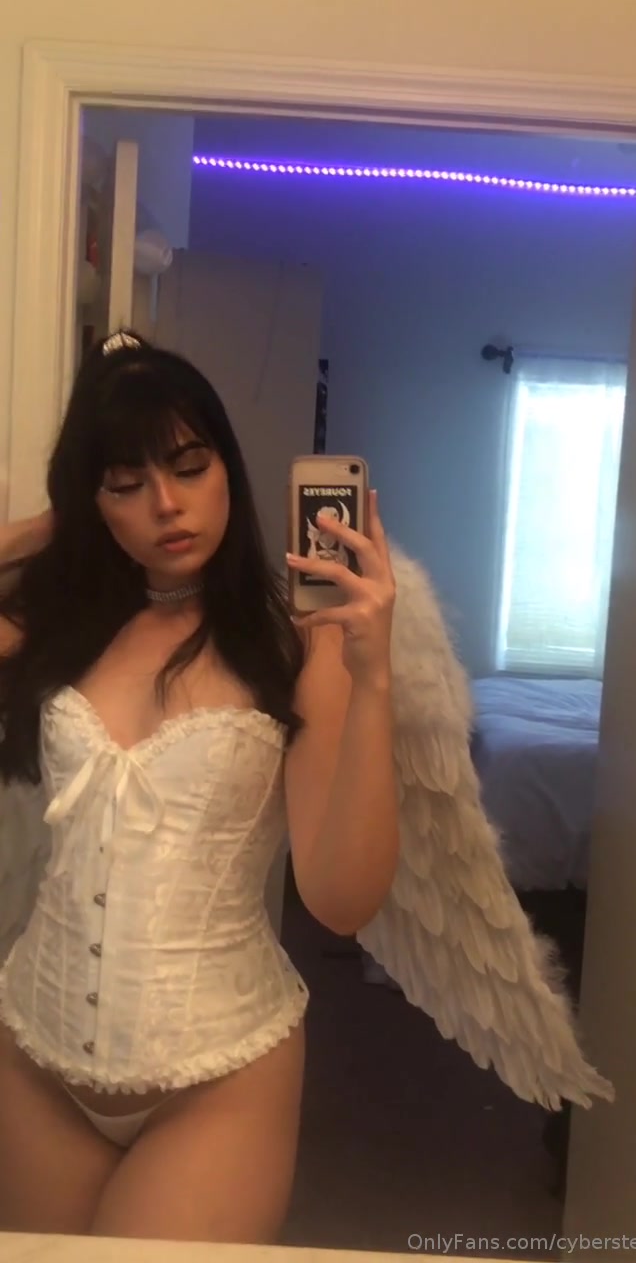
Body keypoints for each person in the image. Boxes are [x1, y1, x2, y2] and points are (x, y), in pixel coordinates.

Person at [0, 330, 399, 1243]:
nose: (166, 505)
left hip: (218, 1077)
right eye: (125, 484)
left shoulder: (298, 644)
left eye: (188, 466)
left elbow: (342, 900)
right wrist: (49, 528)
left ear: (229, 468)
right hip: (35, 1056)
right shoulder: (55, 625)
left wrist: (373, 679)